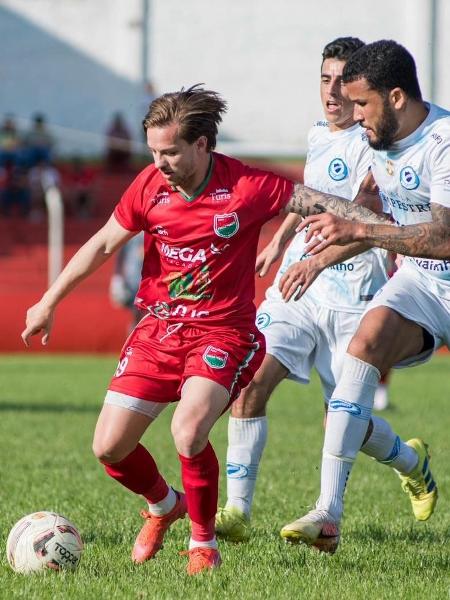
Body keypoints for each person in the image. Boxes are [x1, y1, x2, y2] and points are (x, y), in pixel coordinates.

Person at [20, 85, 415, 573]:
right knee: (108, 447)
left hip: (222, 334)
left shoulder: (246, 185)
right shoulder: (148, 185)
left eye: (170, 152)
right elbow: (103, 244)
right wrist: (47, 301)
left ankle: (203, 543)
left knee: (188, 432)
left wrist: (388, 228)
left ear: (203, 144)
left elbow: (316, 201)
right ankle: (166, 505)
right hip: (159, 329)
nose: (159, 162)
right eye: (153, 152)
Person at [215, 37, 398, 544]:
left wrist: (316, 260)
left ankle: (408, 459)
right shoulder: (319, 134)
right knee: (250, 382)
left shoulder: (377, 142)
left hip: (353, 296)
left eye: (343, 81)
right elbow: (309, 201)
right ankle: (236, 511)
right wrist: (279, 244)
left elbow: (367, 218)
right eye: (324, 79)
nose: (333, 91)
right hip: (298, 288)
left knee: (344, 421)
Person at [280, 40, 448, 552]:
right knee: (363, 349)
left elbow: (442, 238)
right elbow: (371, 218)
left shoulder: (442, 143)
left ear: (396, 97)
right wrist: (315, 260)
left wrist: (359, 228)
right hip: (422, 282)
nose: (354, 116)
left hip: (437, 260)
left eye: (362, 105)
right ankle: (328, 515)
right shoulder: (379, 146)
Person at [109, 232, 145, 331]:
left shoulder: (155, 230)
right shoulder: (131, 232)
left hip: (149, 277)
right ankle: (135, 334)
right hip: (133, 278)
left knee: (144, 310)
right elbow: (120, 255)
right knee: (137, 309)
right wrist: (117, 277)